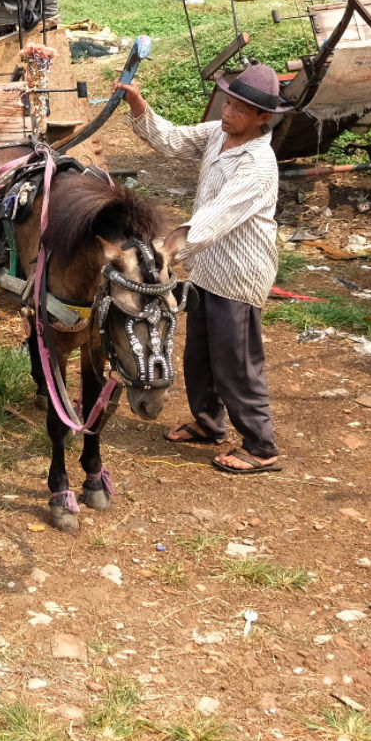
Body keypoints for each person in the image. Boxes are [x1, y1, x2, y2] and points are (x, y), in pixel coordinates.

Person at [115, 63, 293, 475]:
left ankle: (261, 446)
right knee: (199, 353)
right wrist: (138, 104)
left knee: (236, 360)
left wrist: (167, 248)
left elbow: (217, 215)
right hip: (207, 268)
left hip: (239, 274)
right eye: (228, 103)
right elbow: (174, 139)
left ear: (263, 118)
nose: (228, 113)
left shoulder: (258, 164)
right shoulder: (219, 135)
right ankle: (209, 423)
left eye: (240, 109)